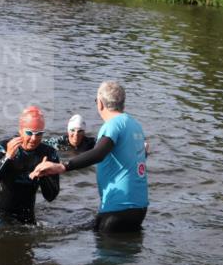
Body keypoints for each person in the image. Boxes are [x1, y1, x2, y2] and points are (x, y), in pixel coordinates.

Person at [31, 81, 149, 232]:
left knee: (104, 247)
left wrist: (62, 166)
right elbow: (134, 157)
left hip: (118, 208)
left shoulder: (113, 125)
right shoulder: (135, 125)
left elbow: (98, 153)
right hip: (139, 208)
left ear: (100, 103)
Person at [0, 106, 60, 227]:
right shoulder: (2, 148)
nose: (34, 138)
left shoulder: (49, 154)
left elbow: (51, 196)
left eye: (39, 134)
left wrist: (44, 175)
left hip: (25, 215)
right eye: (29, 133)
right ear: (20, 130)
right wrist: (7, 157)